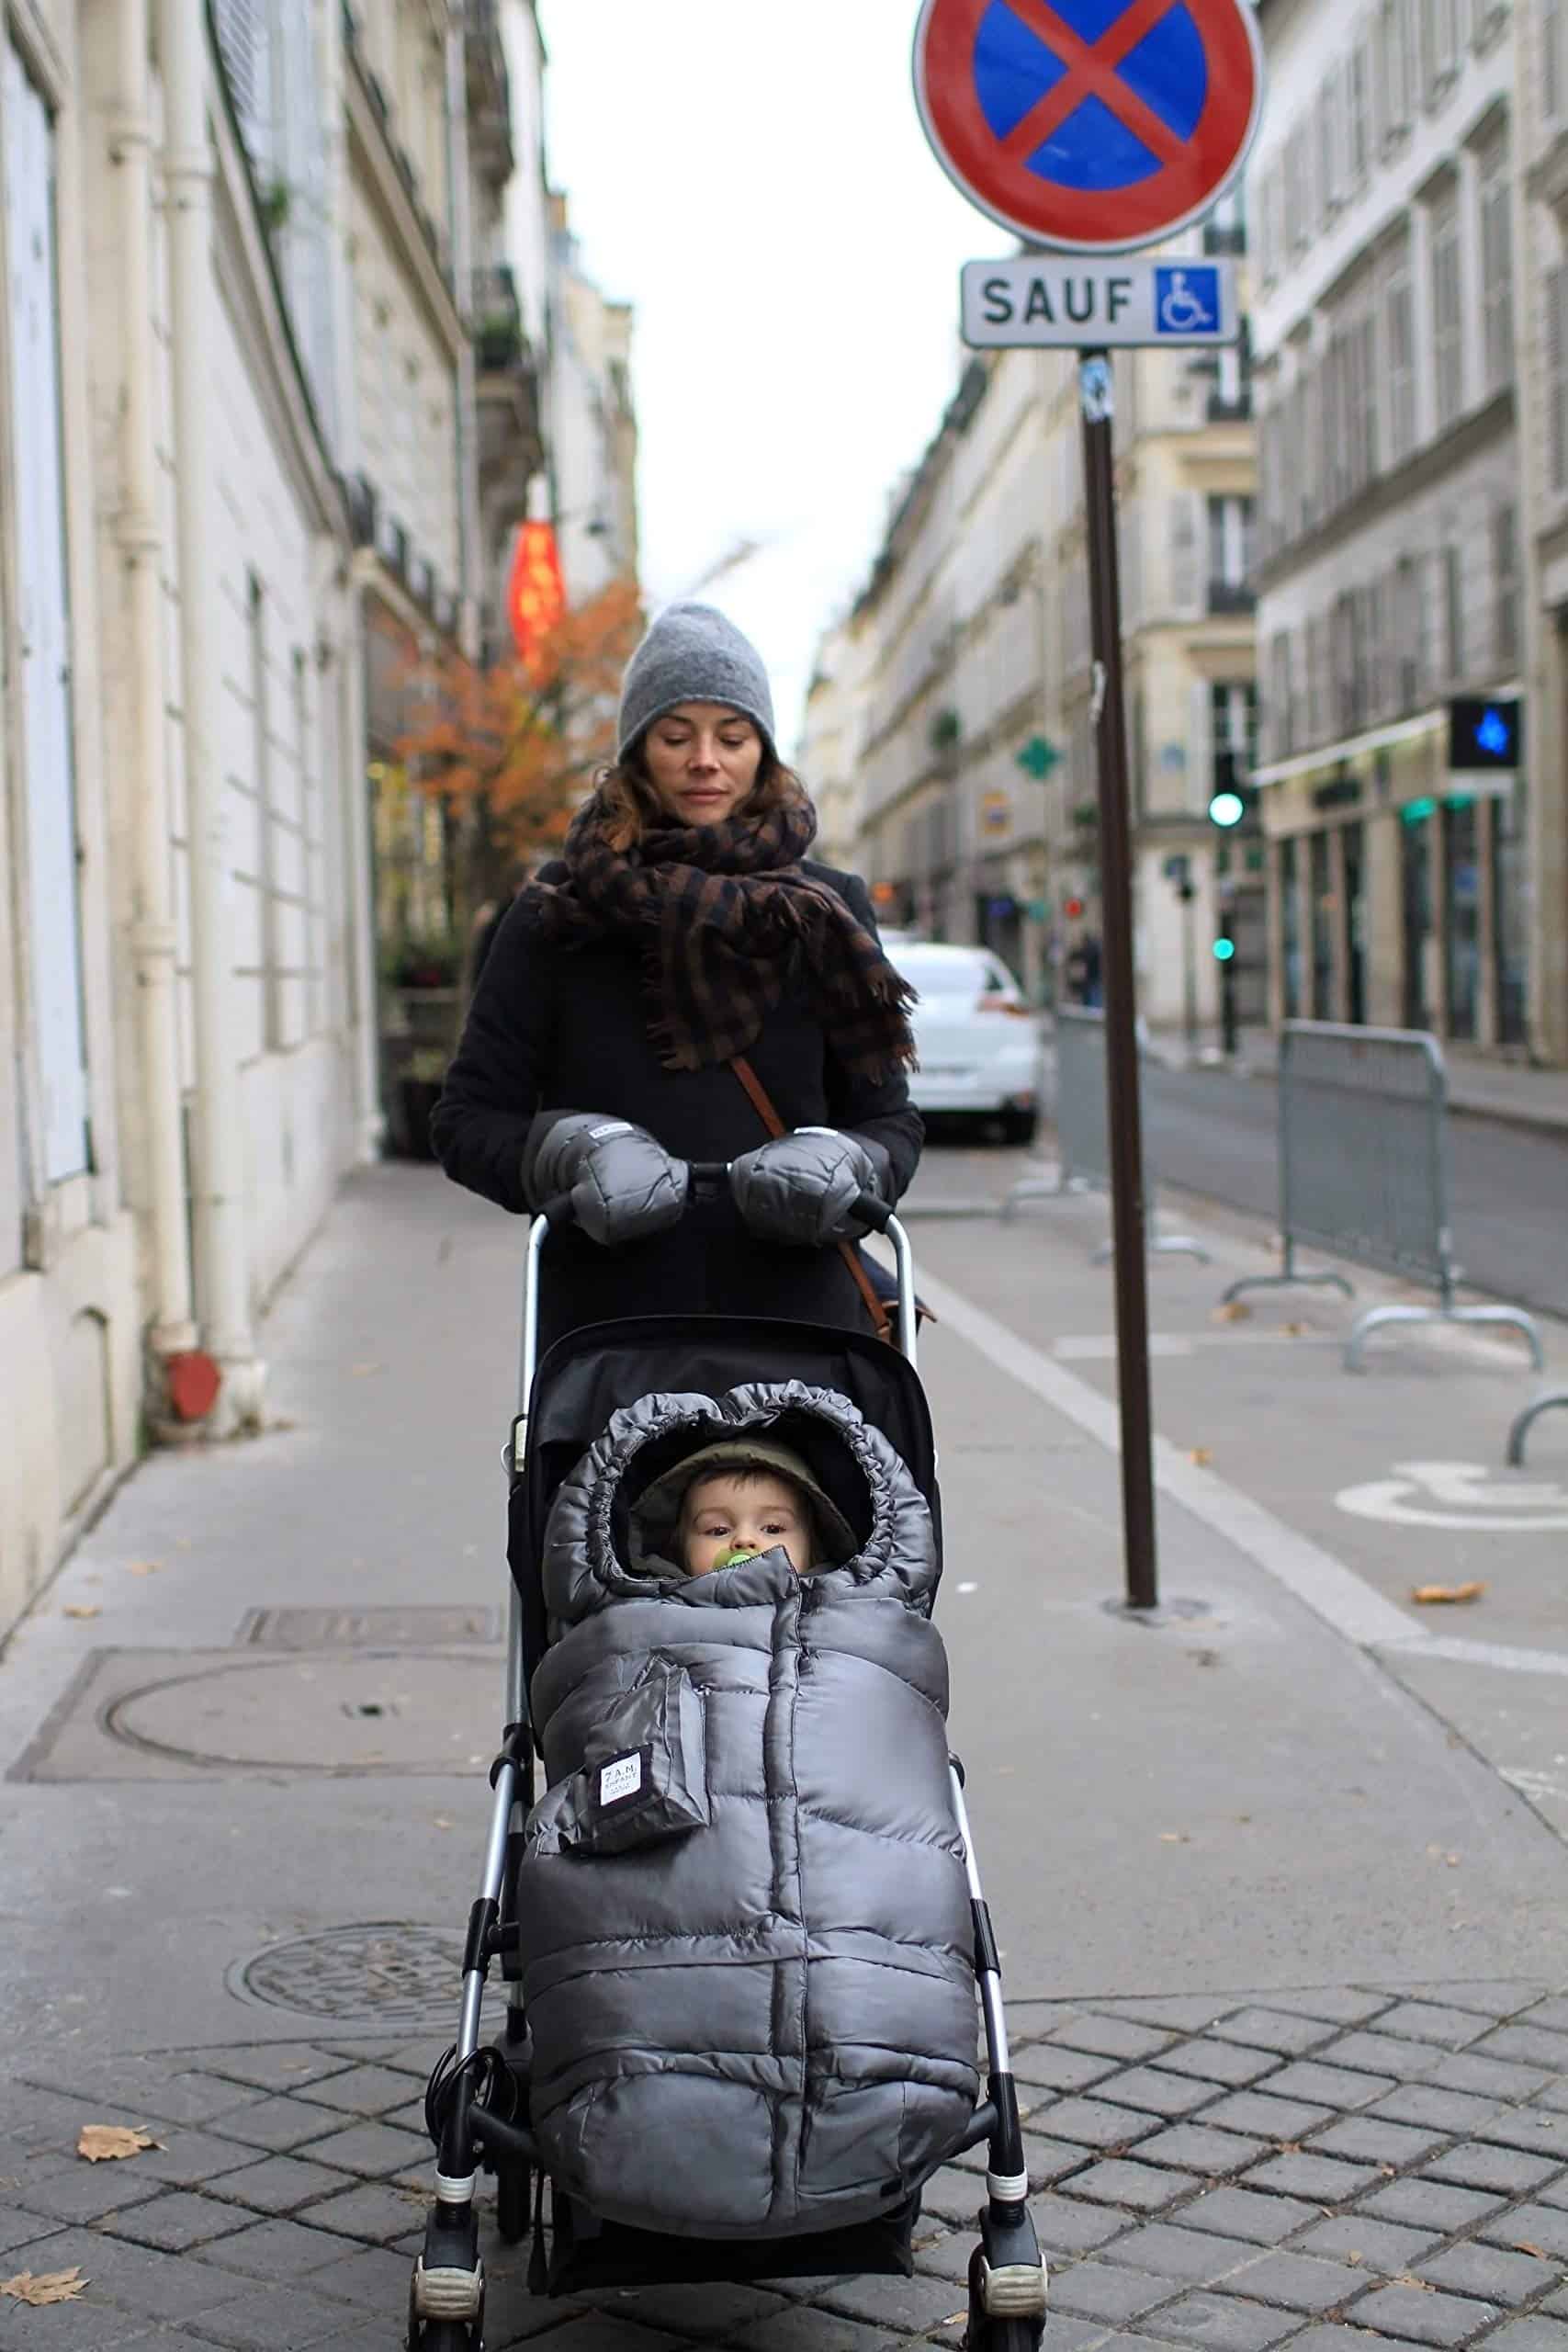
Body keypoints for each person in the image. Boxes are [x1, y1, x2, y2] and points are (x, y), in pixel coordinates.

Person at [431, 603, 922, 1353]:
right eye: (674, 735)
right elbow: (466, 1122)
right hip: (611, 1333)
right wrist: (568, 1153)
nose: (705, 760)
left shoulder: (827, 911)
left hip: (798, 1320)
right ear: (636, 752)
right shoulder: (553, 914)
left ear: (762, 751)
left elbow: (890, 1123)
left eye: (731, 736)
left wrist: (843, 1164)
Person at [629, 1434, 858, 1579]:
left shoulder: (844, 1604)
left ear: (812, 1549)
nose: (744, 1540)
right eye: (718, 1530)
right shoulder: (652, 1609)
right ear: (680, 1551)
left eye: (772, 1528)